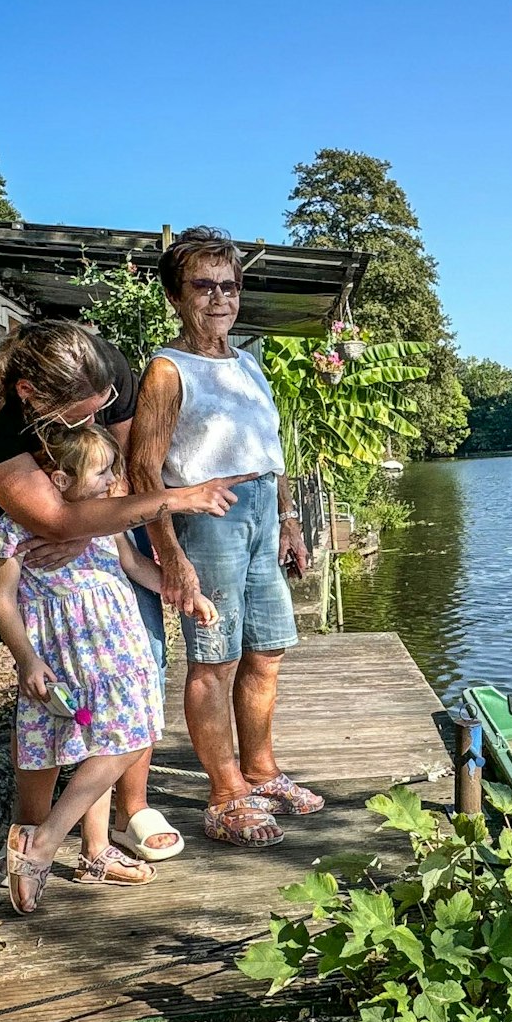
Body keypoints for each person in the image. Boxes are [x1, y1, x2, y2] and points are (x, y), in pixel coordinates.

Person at [0, 319, 254, 865]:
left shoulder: (104, 365)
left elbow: (124, 471)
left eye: (102, 406)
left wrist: (107, 535)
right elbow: (49, 520)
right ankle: (31, 834)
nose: (95, 419)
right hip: (17, 542)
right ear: (30, 396)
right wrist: (80, 523)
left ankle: (125, 816)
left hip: (102, 529)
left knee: (137, 675)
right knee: (50, 703)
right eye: (81, 414)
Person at [128, 227, 321, 848]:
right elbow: (142, 470)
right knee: (215, 657)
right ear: (175, 295)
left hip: (262, 509)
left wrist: (289, 520)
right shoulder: (166, 370)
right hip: (207, 516)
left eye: (230, 286)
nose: (220, 298)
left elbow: (270, 452)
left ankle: (261, 771)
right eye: (203, 286)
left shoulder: (250, 363)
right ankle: (225, 790)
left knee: (267, 650)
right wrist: (171, 554)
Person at [0, 425, 217, 911]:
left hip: (120, 660)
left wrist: (184, 595)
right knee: (120, 741)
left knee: (114, 742)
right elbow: (2, 600)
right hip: (66, 661)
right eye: (103, 471)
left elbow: (136, 567)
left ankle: (94, 852)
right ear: (59, 480)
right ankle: (44, 840)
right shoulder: (10, 530)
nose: (114, 480)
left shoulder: (106, 522)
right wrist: (25, 657)